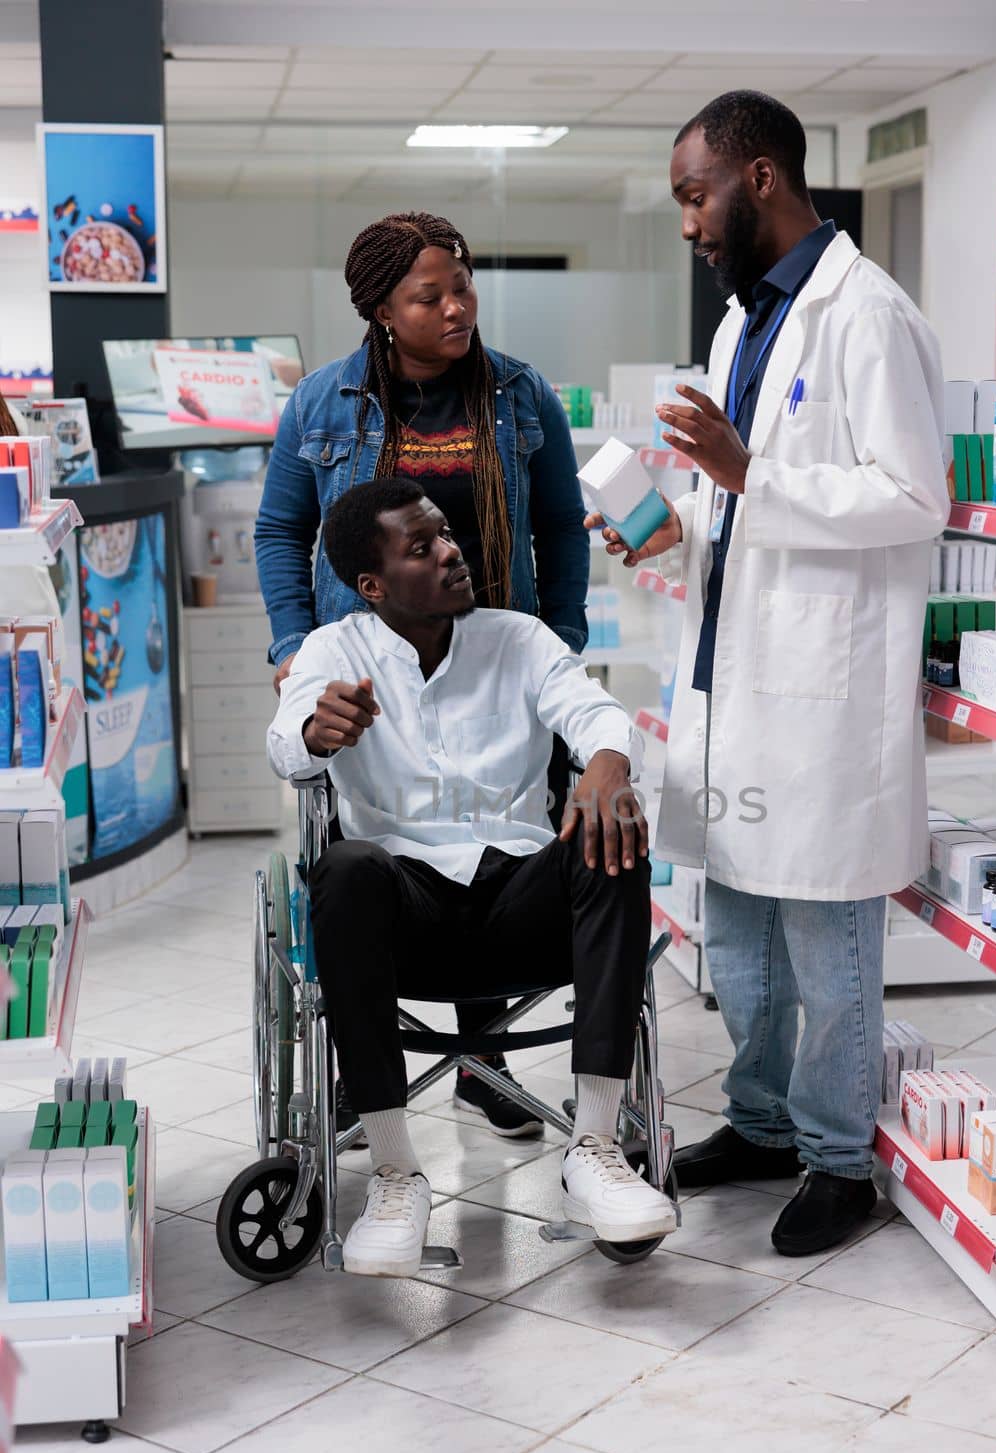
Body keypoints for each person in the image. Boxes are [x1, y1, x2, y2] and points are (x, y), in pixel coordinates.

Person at [593, 91, 949, 1257]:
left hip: (821, 699)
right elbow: (735, 505)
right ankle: (756, 1122)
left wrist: (748, 476)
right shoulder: (744, 324)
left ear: (758, 179)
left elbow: (910, 499)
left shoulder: (869, 315)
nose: (687, 222)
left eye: (694, 194)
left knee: (825, 941)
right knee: (736, 929)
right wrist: (675, 528)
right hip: (731, 684)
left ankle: (838, 1160)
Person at [266, 477, 675, 1275]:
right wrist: (316, 733)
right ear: (372, 585)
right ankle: (394, 1172)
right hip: (403, 916)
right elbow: (286, 739)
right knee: (344, 867)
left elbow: (589, 710)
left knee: (611, 829)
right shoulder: (333, 651)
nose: (453, 552)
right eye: (423, 547)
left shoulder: (517, 638)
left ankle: (594, 1151)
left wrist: (609, 764)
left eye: (447, 535)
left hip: (520, 902)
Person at [255, 210, 591, 1138]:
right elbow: (281, 529)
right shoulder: (324, 403)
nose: (457, 307)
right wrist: (293, 647)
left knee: (493, 823)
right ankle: (369, 1074)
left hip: (500, 656)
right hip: (367, 672)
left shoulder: (520, 395)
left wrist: (559, 637)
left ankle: (485, 1066)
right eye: (429, 294)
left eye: (463, 286)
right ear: (382, 311)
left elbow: (561, 526)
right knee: (372, 853)